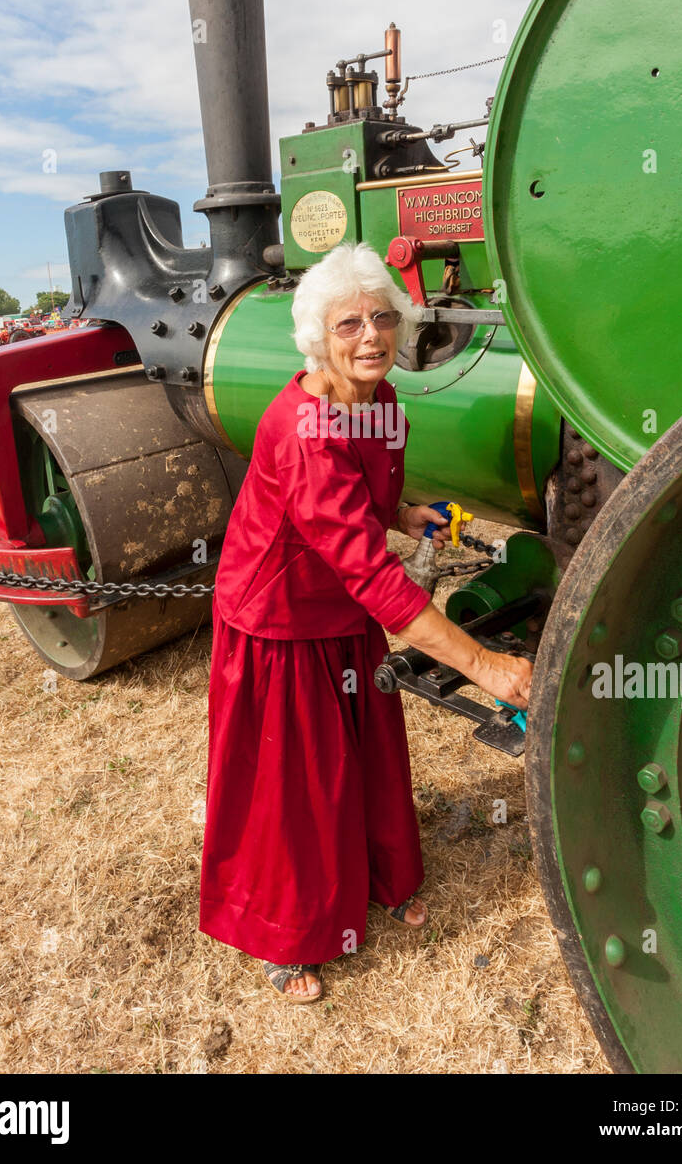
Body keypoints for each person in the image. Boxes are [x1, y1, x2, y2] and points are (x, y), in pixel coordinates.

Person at [199, 242, 533, 1003]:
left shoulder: (380, 404)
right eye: (348, 324)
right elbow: (369, 570)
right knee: (294, 785)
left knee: (363, 757)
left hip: (341, 609)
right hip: (278, 618)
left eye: (383, 317)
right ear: (318, 338)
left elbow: (367, 501)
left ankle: (378, 882)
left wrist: (409, 513)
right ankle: (287, 937)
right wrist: (486, 665)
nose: (371, 335)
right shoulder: (304, 430)